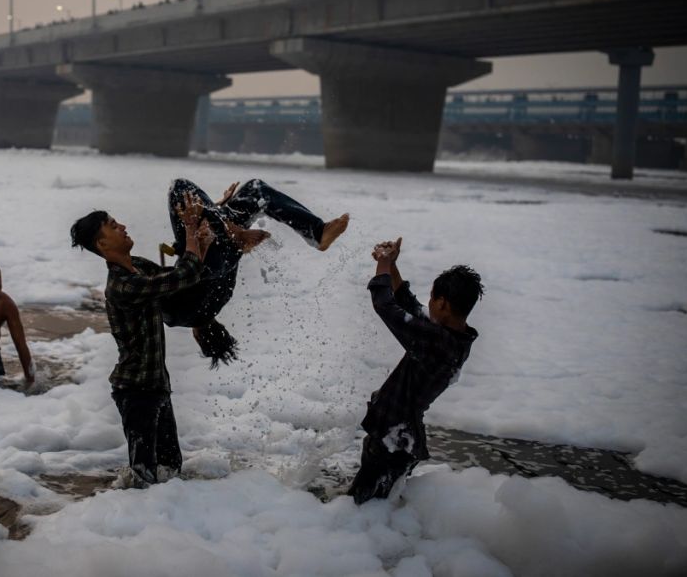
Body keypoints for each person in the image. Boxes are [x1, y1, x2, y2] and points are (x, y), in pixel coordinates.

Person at [70, 194, 212, 486]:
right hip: (135, 390)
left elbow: (180, 278)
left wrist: (202, 243)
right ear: (102, 244)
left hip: (157, 384)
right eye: (113, 226)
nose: (122, 226)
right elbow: (182, 276)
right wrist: (189, 229)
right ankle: (131, 523)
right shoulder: (122, 285)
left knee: (170, 469)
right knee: (143, 475)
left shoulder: (138, 267)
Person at [348, 238, 483, 504]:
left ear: (443, 304)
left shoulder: (436, 341)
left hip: (393, 444)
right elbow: (408, 304)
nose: (428, 303)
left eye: (432, 299)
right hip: (399, 441)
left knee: (360, 509)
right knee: (376, 510)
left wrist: (384, 264)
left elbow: (385, 306)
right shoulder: (453, 337)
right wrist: (392, 266)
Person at [162, 178, 349, 367]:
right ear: (197, 338)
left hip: (224, 251)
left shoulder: (222, 298)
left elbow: (229, 261)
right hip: (206, 253)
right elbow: (165, 282)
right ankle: (315, 231)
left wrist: (220, 212)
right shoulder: (173, 317)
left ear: (221, 327)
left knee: (257, 192)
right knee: (180, 188)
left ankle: (318, 233)